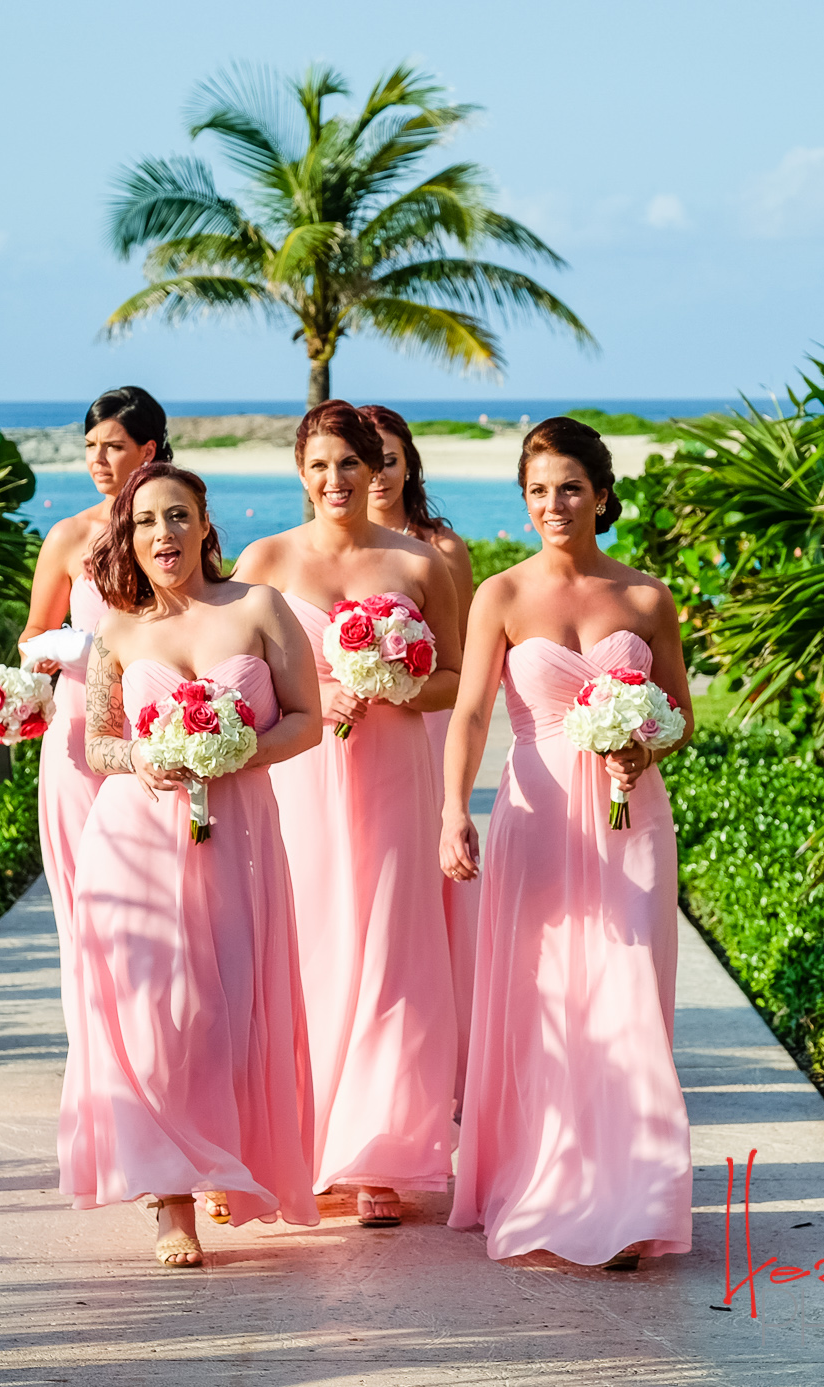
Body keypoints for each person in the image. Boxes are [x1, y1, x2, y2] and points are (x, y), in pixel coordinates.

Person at [440, 416, 695, 1271]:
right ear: (523, 500)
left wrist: (645, 743)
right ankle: (548, 1183)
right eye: (539, 490)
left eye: (571, 487)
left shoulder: (647, 598)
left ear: (603, 493)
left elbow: (683, 714)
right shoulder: (502, 596)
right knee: (546, 999)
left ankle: (625, 1198)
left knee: (627, 997)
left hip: (632, 816)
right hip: (539, 813)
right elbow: (472, 711)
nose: (555, 503)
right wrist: (452, 809)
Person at [61, 462, 323, 1268]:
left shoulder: (259, 608)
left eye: (177, 516)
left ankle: (211, 1154)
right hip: (133, 845)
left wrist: (237, 748)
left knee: (222, 1010)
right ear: (128, 537)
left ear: (206, 523)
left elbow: (309, 721)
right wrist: (146, 753)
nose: (162, 535)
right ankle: (171, 1201)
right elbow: (95, 743)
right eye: (144, 522)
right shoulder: (118, 629)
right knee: (153, 1013)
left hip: (235, 840)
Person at [233, 400, 462, 1229]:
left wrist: (391, 682)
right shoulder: (264, 559)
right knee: (306, 944)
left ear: (378, 471)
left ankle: (374, 1155)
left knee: (391, 947)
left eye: (352, 465)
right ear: (301, 470)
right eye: (321, 465)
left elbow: (456, 681)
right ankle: (291, 1145)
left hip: (396, 769)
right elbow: (238, 673)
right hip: (301, 772)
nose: (336, 480)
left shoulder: (417, 564)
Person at [20, 387, 167, 965]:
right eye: (89, 446)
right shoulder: (68, 537)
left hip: (154, 727)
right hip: (78, 732)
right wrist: (65, 651)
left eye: (113, 446)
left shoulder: (173, 533)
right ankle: (92, 1043)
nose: (97, 460)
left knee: (154, 893)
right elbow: (33, 634)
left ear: (148, 451)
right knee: (85, 898)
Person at [361, 403, 478, 1101]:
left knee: (426, 889)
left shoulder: (439, 547)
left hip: (423, 723)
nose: (376, 473)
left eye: (388, 459)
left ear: (409, 464)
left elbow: (455, 656)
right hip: (343, 734)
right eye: (362, 459)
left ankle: (441, 1058)